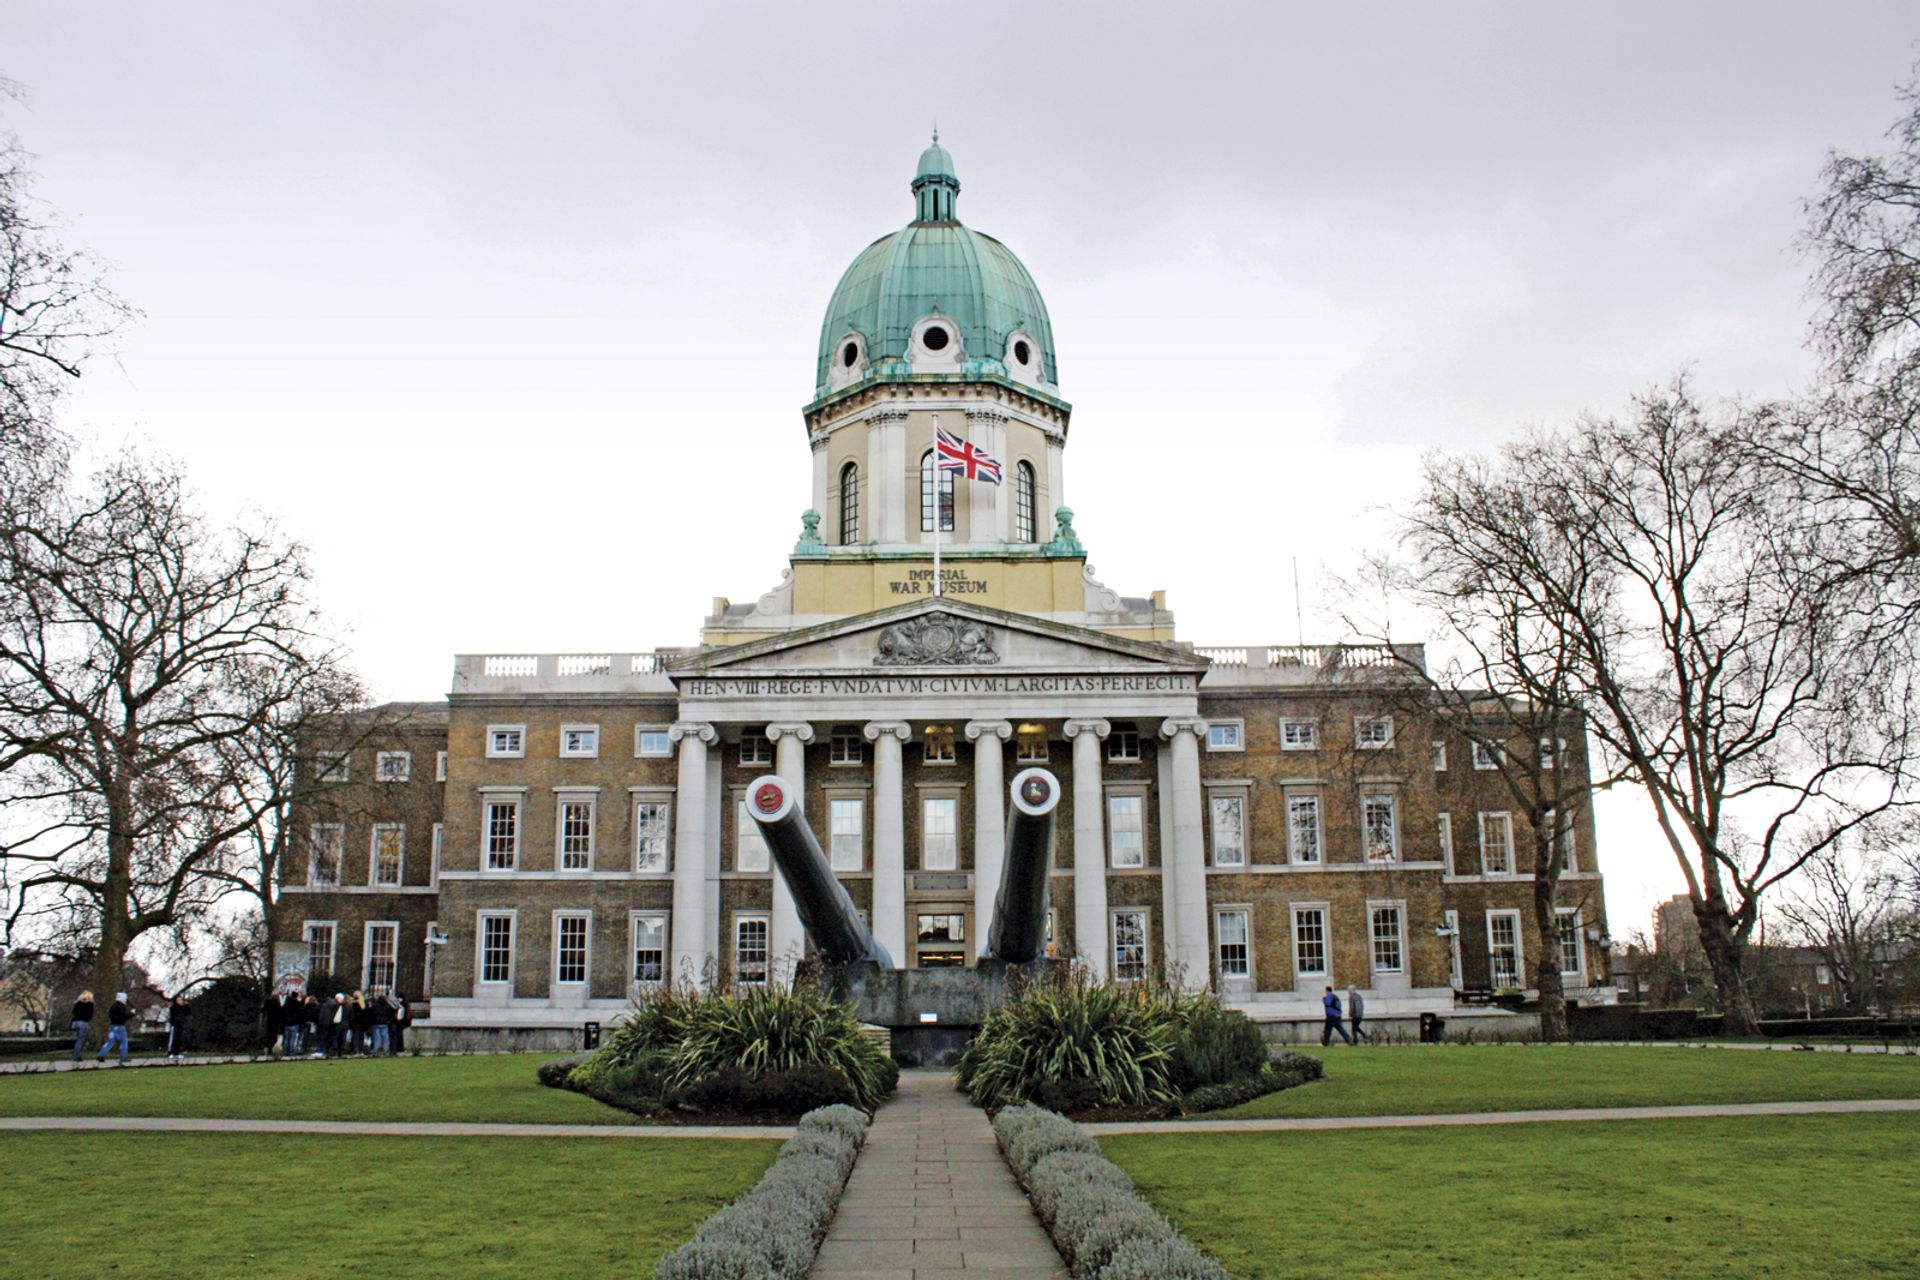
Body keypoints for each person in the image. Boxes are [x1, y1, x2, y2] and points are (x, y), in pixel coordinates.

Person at [97, 992, 132, 1064]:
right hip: (120, 1027)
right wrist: (131, 1013)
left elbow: (110, 1015)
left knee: (110, 1042)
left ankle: (101, 1055)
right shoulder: (122, 1007)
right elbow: (124, 1017)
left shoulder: (113, 1006)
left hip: (112, 1026)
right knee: (123, 1041)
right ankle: (123, 1056)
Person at [69, 990, 94, 1063]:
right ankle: (76, 1056)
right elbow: (90, 1014)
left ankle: (75, 1054)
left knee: (78, 1039)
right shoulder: (90, 1004)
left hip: (75, 1022)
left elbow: (73, 1012)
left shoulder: (77, 1003)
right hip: (83, 1022)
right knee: (80, 1040)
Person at [167, 994, 191, 1059]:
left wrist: (186, 1005)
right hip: (174, 1025)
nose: (180, 1001)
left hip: (180, 1025)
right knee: (173, 1039)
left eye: (181, 1000)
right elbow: (173, 1015)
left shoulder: (182, 1008)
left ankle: (176, 1053)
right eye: (179, 1000)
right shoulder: (173, 1007)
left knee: (179, 1039)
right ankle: (170, 1052)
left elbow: (188, 1013)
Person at [369, 991, 393, 1057]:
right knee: (385, 1038)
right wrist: (388, 1021)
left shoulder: (375, 1006)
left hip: (376, 1023)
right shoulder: (387, 1006)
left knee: (377, 1038)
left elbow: (372, 1014)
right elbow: (390, 1014)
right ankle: (386, 1051)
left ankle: (376, 1051)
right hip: (385, 1023)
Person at [304, 994, 323, 1058]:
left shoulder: (306, 1006)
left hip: (306, 1022)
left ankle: (305, 1048)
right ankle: (309, 1048)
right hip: (313, 1023)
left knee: (306, 1036)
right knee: (311, 1036)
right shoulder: (317, 1006)